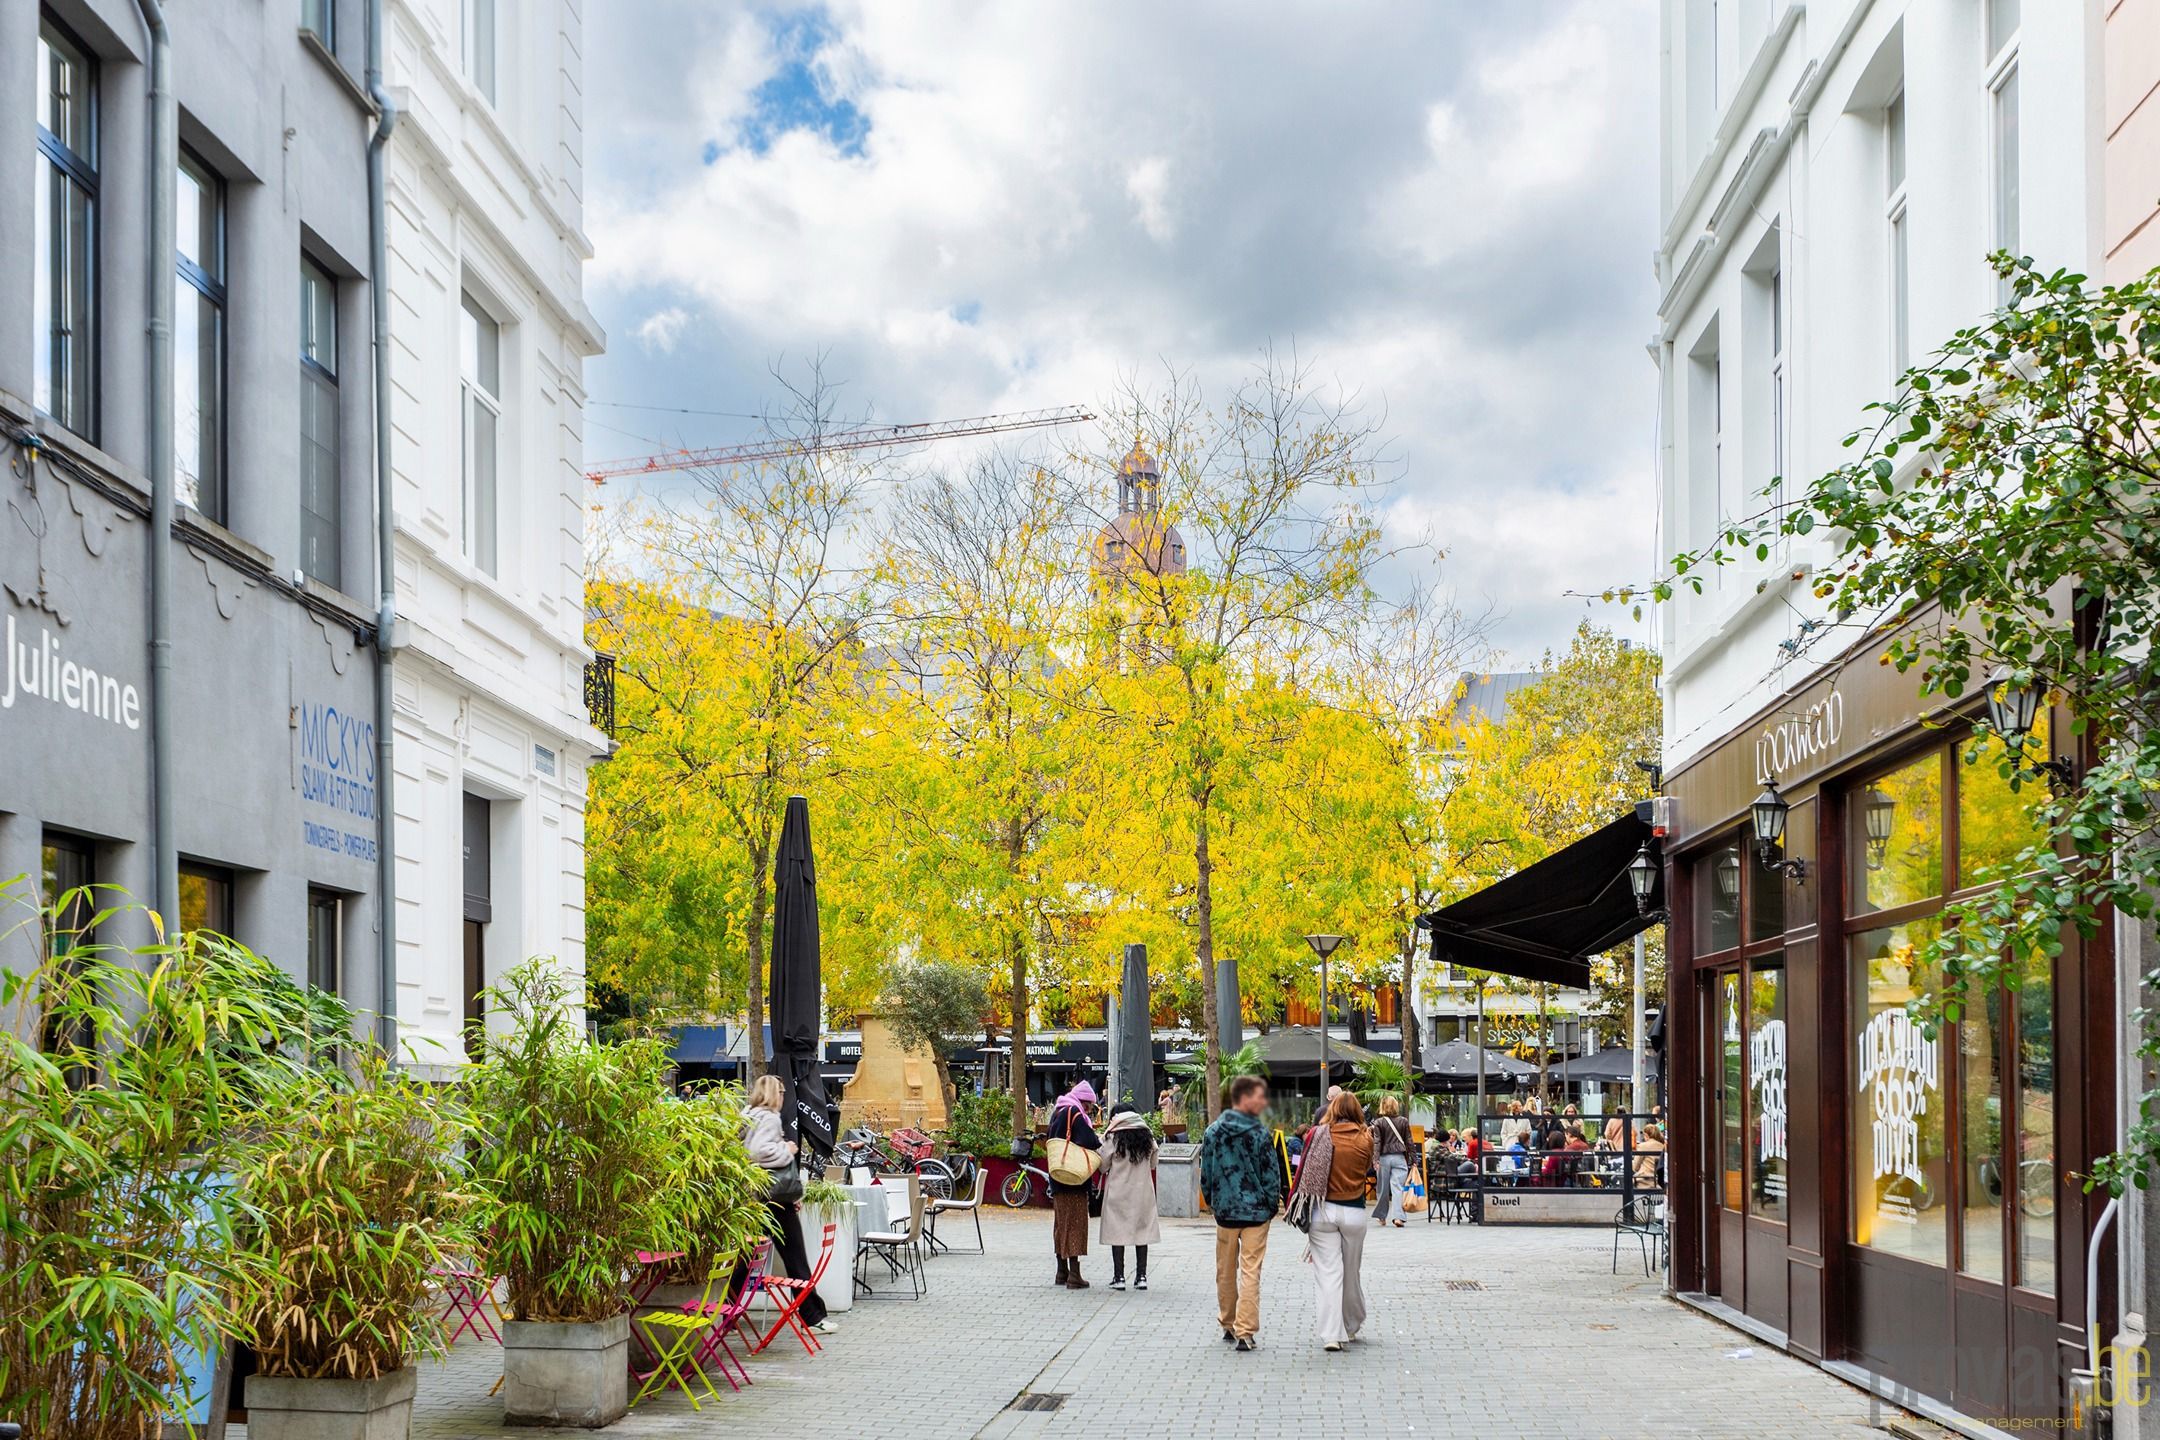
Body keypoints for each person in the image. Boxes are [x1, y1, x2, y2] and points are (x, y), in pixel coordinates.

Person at [742, 1075, 833, 1334]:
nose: (784, 1097)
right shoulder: (769, 1117)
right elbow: (760, 1152)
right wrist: (787, 1150)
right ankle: (812, 1315)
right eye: (781, 1091)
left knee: (746, 1257)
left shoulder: (748, 1116)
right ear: (774, 1093)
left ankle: (725, 1308)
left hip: (755, 1196)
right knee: (796, 1258)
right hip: (776, 1199)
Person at [1199, 1075, 1284, 1352]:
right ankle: (1245, 1332)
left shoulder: (1213, 1132)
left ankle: (1227, 1322)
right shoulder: (1259, 1133)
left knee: (1225, 1269)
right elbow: (1272, 1173)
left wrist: (1213, 1201)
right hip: (1256, 1212)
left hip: (1225, 1210)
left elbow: (1206, 1173)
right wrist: (1271, 1205)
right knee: (1251, 1270)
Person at [1293, 1091, 1374, 1352]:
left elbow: (1304, 1166)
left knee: (1328, 1273)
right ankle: (1351, 1324)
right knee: (1351, 1271)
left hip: (1322, 1210)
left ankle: (1331, 1334)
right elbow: (1368, 1169)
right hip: (1354, 1212)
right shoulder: (1366, 1138)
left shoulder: (1318, 1135)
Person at [1100, 1103, 1161, 1290]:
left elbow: (1102, 1165)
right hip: (1142, 1191)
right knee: (1142, 1232)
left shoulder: (1112, 1136)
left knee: (1117, 1233)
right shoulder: (1147, 1135)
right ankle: (1141, 1277)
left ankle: (1119, 1277)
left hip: (1118, 1191)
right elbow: (1153, 1163)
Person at [1047, 1080, 1102, 1289]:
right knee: (1076, 1224)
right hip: (1074, 1178)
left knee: (1061, 1224)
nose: (1089, 1108)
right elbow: (1090, 1141)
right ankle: (1074, 1274)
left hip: (1058, 1176)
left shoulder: (1058, 1111)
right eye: (1089, 1104)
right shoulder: (1076, 1114)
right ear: (1084, 1101)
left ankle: (1061, 1271)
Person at [1369, 1096, 1414, 1228]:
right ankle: (1398, 1217)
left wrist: (1375, 1159)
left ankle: (1381, 1217)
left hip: (1383, 1158)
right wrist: (1414, 1159)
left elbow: (1377, 1143)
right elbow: (1409, 1141)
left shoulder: (1378, 1122)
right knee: (1397, 1188)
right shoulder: (1404, 1121)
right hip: (1399, 1157)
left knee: (1383, 1189)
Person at [1634, 1123, 1668, 1189]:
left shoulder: (1643, 1146)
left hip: (1645, 1182)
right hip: (1660, 1183)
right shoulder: (1662, 1146)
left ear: (1646, 1135)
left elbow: (1635, 1167)